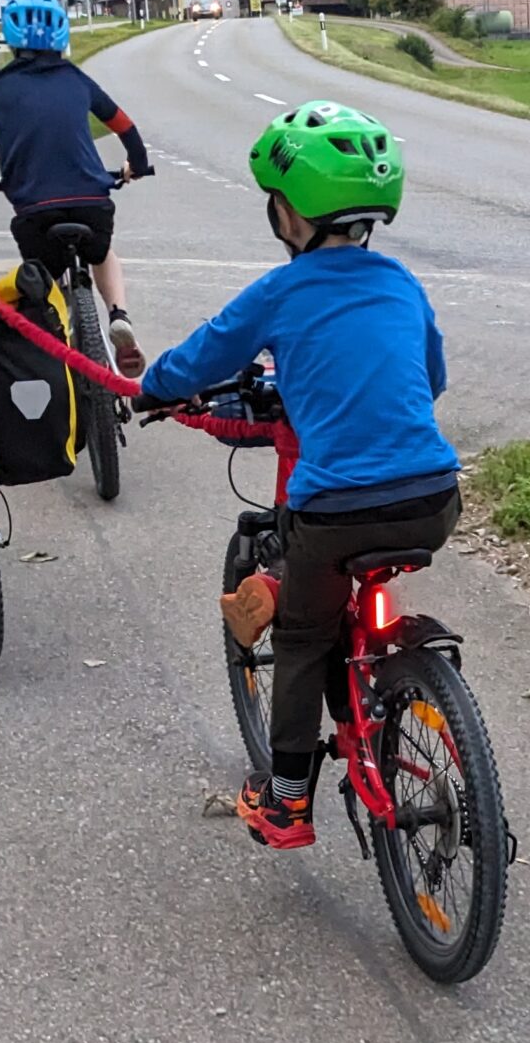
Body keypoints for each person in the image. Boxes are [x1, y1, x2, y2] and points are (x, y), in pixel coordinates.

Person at [139, 101, 458, 850]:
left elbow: (202, 358)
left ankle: (286, 802)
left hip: (334, 515)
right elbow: (432, 377)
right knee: (356, 584)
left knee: (303, 638)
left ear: (288, 214)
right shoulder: (401, 283)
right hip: (434, 498)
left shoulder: (281, 292)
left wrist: (153, 387)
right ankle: (401, 689)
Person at [0, 0, 152, 374]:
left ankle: (54, 347)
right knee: (101, 253)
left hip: (34, 211)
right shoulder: (77, 80)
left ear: (11, 39)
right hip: (92, 203)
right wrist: (137, 165)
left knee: (42, 281)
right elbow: (124, 126)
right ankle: (118, 315)